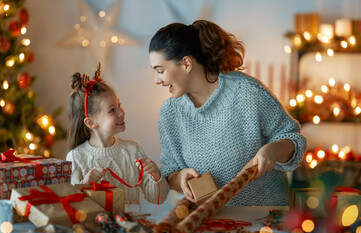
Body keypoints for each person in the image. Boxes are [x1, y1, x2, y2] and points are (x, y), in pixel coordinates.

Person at [148, 20, 307, 206]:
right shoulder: (170, 113)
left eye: (160, 71)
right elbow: (170, 171)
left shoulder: (247, 92)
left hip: (265, 220)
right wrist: (180, 177)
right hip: (210, 223)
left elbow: (294, 140)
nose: (156, 80)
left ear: (186, 63)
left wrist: (273, 150)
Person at [66, 63, 169, 206]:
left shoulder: (133, 150)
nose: (122, 112)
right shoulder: (75, 157)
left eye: (119, 105)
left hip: (130, 227)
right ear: (91, 122)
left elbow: (158, 198)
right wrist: (86, 184)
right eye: (112, 110)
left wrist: (156, 175)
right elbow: (73, 206)